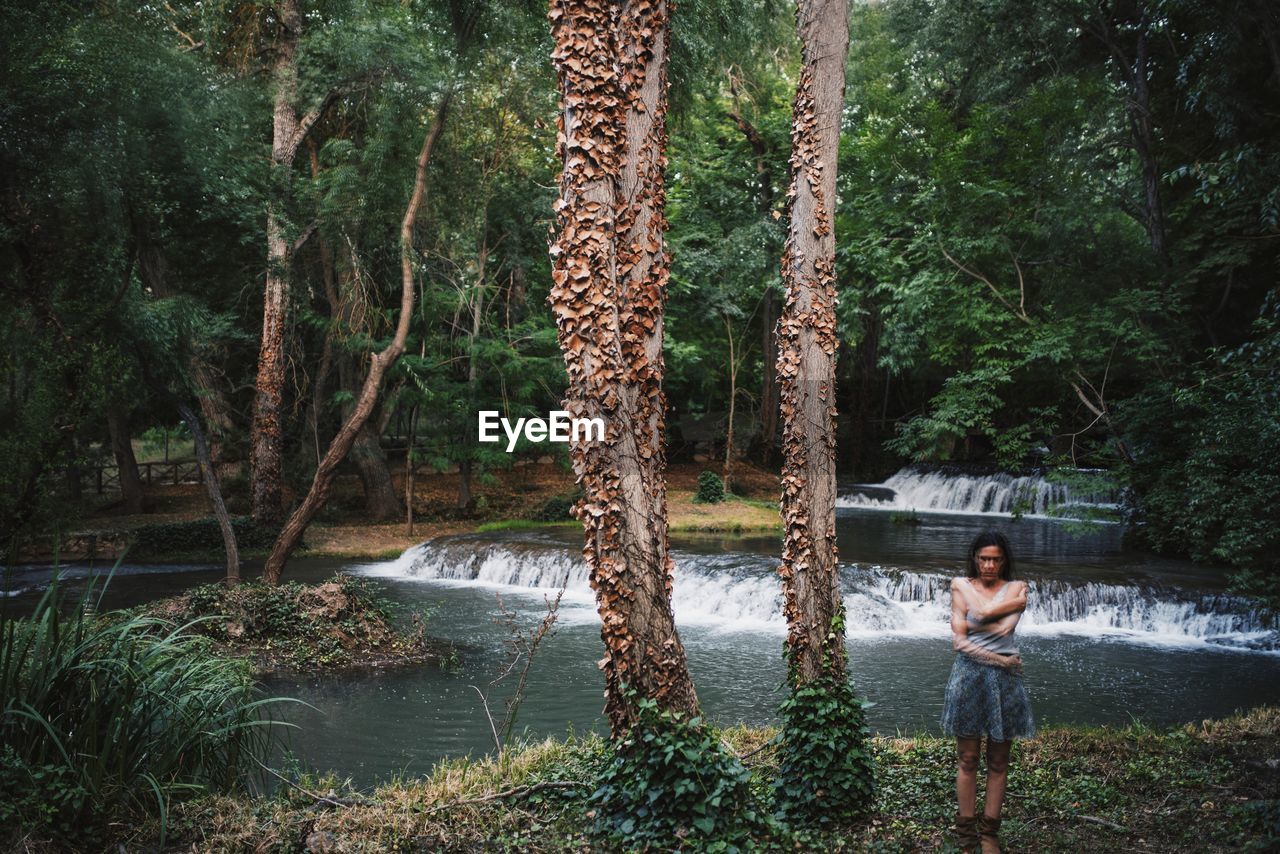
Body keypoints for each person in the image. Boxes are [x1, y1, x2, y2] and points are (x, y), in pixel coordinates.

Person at [941, 529, 1035, 854]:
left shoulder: (1018, 587)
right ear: (975, 558)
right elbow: (958, 642)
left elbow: (1005, 628)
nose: (989, 565)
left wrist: (976, 617)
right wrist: (1000, 657)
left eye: (995, 559)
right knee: (967, 758)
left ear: (1004, 560)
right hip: (971, 676)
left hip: (1006, 684)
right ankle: (967, 834)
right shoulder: (959, 585)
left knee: (999, 760)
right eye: (983, 558)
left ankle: (989, 833)